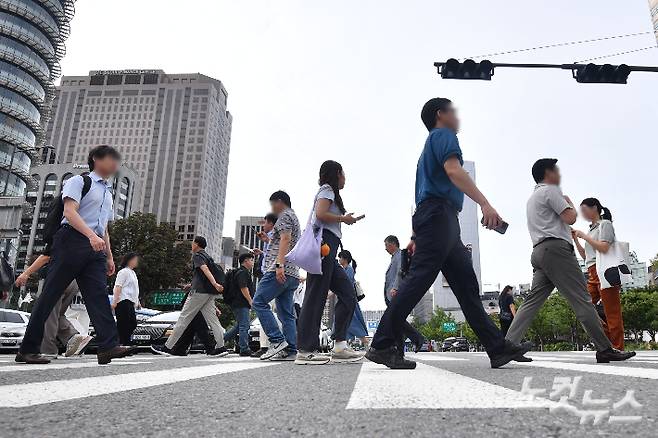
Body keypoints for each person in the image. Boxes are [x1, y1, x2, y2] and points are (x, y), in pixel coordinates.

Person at [367, 98, 531, 370]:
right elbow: (453, 170)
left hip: (440, 220)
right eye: (453, 111)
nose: (458, 116)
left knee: (467, 287)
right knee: (419, 279)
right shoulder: (443, 136)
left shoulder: (427, 149)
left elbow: (422, 195)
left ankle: (497, 347)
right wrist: (485, 203)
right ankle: (383, 344)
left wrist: (416, 236)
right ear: (440, 115)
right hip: (440, 217)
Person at [505, 159, 634, 363]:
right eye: (556, 169)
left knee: (532, 300)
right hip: (557, 251)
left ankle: (509, 344)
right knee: (582, 299)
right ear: (548, 173)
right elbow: (571, 218)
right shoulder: (551, 191)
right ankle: (604, 348)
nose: (559, 173)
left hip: (538, 252)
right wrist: (569, 202)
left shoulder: (532, 198)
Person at [17, 145, 136, 365]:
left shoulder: (107, 192)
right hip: (71, 241)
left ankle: (108, 346)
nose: (114, 163)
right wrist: (91, 236)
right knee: (49, 296)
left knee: (98, 296)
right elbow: (69, 212)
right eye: (110, 159)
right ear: (95, 159)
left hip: (95, 247)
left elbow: (104, 227)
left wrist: (109, 256)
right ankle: (28, 349)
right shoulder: (79, 182)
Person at [296, 161, 365, 365]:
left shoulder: (331, 192)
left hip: (330, 249)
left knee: (348, 294)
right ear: (336, 174)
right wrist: (344, 218)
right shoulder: (327, 189)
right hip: (323, 246)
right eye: (343, 174)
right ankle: (305, 350)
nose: (345, 178)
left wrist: (342, 219)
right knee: (315, 295)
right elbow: (320, 214)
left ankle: (340, 346)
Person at [151, 236, 228, 357]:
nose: (192, 245)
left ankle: (167, 347)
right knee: (213, 321)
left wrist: (214, 283)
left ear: (196, 244)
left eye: (193, 242)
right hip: (208, 293)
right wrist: (193, 284)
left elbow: (204, 269)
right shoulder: (208, 256)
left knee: (184, 318)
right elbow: (203, 277)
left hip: (198, 293)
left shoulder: (197, 256)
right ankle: (221, 347)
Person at [253, 191, 301, 361]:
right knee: (286, 314)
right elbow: (283, 240)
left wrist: (279, 265)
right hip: (293, 273)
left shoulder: (284, 216)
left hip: (279, 270)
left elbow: (285, 239)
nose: (272, 209)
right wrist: (267, 240)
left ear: (280, 202)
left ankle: (276, 341)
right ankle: (291, 349)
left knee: (258, 302)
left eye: (273, 204)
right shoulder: (293, 217)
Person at [573, 198, 625, 351]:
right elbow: (585, 257)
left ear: (594, 207)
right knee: (584, 307)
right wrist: (576, 240)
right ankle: (608, 341)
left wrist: (585, 237)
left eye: (584, 210)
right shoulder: (591, 230)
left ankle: (617, 347)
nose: (582, 214)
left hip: (605, 269)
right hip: (591, 272)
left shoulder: (605, 224)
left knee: (612, 311)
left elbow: (604, 248)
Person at [15, 256, 91, 359]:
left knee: (48, 313)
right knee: (58, 314)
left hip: (58, 278)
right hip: (74, 280)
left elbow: (46, 256)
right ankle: (73, 336)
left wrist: (26, 273)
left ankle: (48, 350)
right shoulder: (79, 244)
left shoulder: (60, 240)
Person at [383, 235, 424, 352]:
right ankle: (402, 345)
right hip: (390, 293)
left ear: (392, 244)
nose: (385, 248)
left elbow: (400, 272)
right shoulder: (394, 257)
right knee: (396, 320)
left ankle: (414, 339)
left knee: (396, 319)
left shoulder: (400, 255)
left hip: (394, 292)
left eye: (386, 245)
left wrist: (395, 288)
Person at [223, 252, 256, 356]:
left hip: (238, 303)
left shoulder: (241, 272)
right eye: (251, 260)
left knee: (239, 326)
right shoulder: (243, 273)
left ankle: (220, 340)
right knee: (244, 326)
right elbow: (243, 287)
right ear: (245, 261)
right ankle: (244, 349)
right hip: (241, 303)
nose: (252, 262)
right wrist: (250, 301)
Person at [338, 250, 368, 346]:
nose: (339, 260)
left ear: (345, 259)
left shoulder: (349, 270)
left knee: (352, 321)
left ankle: (365, 341)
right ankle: (345, 344)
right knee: (347, 321)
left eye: (340, 258)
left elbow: (345, 285)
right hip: (347, 300)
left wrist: (331, 293)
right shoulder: (346, 269)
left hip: (348, 300)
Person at [112, 252, 141, 345]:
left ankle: (125, 341)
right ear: (130, 260)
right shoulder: (123, 272)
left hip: (130, 301)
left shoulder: (132, 273)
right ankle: (122, 343)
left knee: (132, 323)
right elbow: (118, 286)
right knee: (123, 323)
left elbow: (134, 289)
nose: (137, 262)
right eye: (135, 260)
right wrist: (115, 301)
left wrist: (137, 301)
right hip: (123, 300)